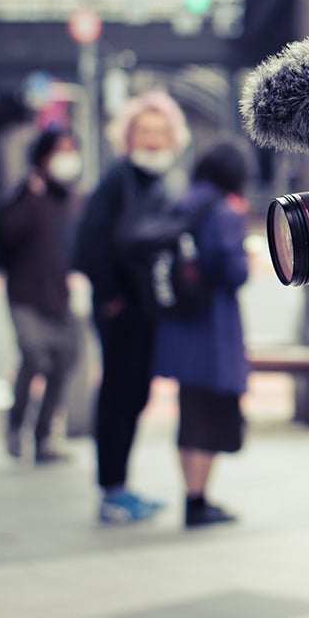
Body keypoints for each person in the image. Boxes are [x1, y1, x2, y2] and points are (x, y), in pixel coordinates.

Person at [73, 89, 190, 525]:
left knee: (135, 394)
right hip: (121, 311)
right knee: (119, 395)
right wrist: (112, 297)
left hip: (145, 310)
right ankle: (111, 491)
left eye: (161, 131)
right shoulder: (118, 180)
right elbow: (86, 244)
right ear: (129, 136)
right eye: (145, 130)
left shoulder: (160, 181)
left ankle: (121, 486)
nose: (154, 139)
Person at [152, 141, 252, 527]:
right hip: (213, 327)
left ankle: (193, 496)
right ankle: (197, 499)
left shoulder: (183, 201)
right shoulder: (224, 211)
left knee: (188, 410)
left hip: (179, 323)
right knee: (207, 414)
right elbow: (235, 273)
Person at [0, 128, 85, 463]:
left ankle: (45, 435)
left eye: (71, 149)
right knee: (34, 355)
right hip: (25, 294)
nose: (67, 157)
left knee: (63, 365)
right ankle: (16, 423)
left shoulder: (73, 198)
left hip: (63, 295)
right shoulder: (25, 194)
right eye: (60, 150)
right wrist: (30, 198)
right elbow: (6, 235)